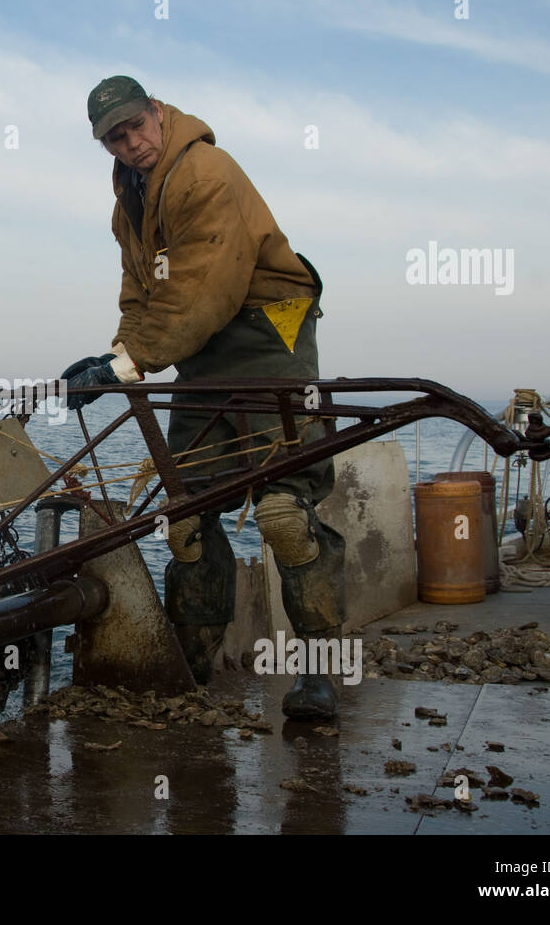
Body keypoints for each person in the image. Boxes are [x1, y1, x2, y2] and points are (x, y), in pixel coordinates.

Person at [61, 75, 346, 720]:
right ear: (103, 144)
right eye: (114, 137)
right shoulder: (129, 204)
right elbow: (144, 296)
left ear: (159, 113)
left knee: (283, 515)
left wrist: (132, 362)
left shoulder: (206, 173)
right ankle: (189, 668)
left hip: (268, 334)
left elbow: (204, 289)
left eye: (136, 125)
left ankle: (321, 676)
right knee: (187, 517)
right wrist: (116, 359)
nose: (130, 143)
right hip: (200, 346)